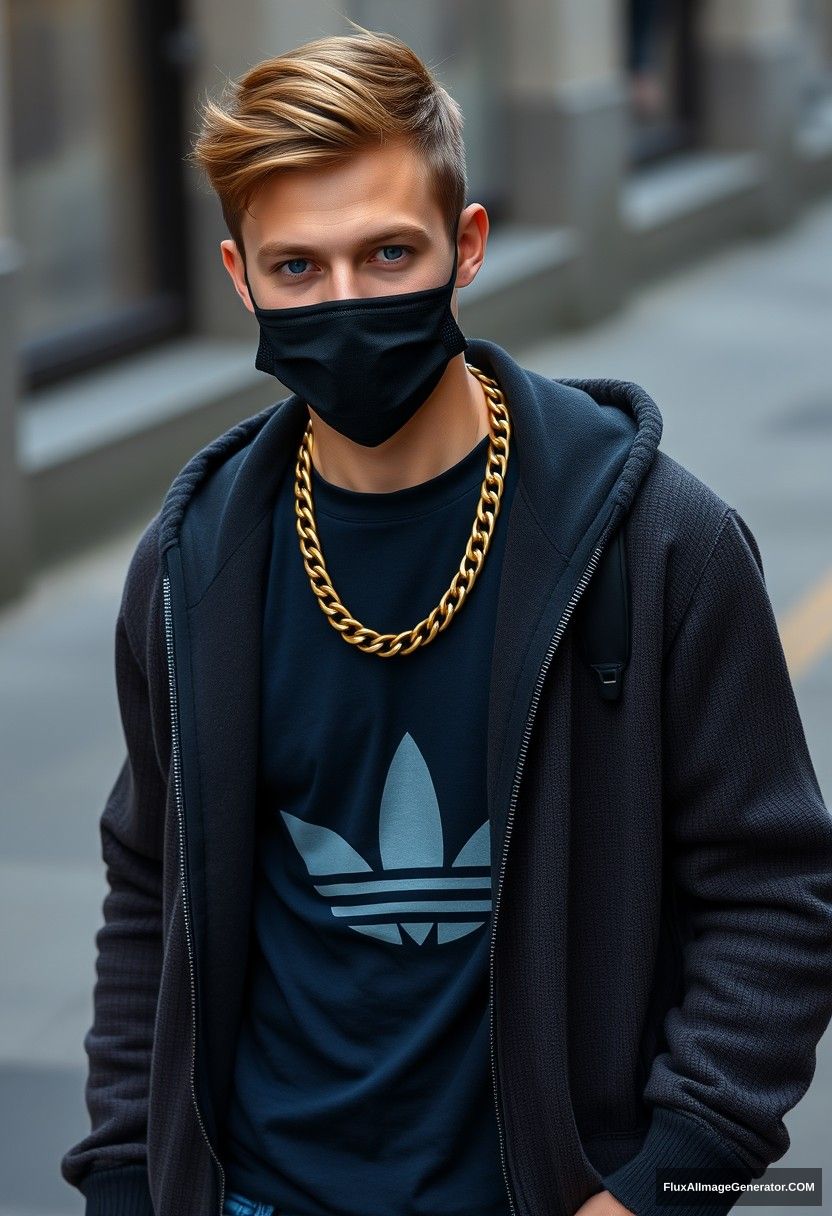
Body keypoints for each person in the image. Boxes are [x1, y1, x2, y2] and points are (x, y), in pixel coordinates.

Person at [60, 24, 832, 1216]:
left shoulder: (658, 540)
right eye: (298, 269)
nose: (347, 301)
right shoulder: (191, 564)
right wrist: (122, 1176)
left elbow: (775, 892)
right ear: (238, 277)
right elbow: (147, 883)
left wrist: (668, 1184)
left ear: (465, 246)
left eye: (387, 252)